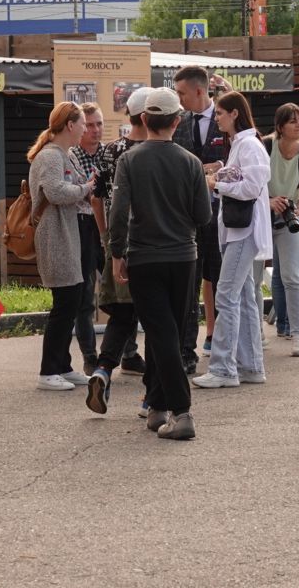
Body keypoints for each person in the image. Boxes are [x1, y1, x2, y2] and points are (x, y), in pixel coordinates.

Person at [109, 87, 211, 440]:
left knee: (160, 332)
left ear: (144, 120)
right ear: (177, 121)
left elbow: (118, 212)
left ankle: (181, 412)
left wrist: (116, 255)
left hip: (144, 257)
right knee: (167, 331)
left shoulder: (130, 160)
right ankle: (156, 405)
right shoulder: (191, 162)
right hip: (184, 256)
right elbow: (203, 215)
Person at [192, 91, 272, 389]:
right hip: (239, 229)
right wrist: (221, 177)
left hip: (244, 230)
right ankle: (250, 366)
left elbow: (251, 187)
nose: (218, 119)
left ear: (235, 114)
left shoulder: (250, 145)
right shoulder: (243, 144)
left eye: (221, 114)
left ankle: (224, 368)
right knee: (244, 297)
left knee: (226, 294)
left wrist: (218, 183)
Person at [85, 88, 152, 415]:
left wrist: (105, 236)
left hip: (118, 239)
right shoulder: (161, 150)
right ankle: (151, 396)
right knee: (157, 318)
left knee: (124, 313)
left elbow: (96, 197)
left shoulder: (111, 151)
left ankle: (102, 370)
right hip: (153, 241)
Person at [28, 102, 97, 390]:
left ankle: (63, 366)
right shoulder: (51, 156)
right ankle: (48, 371)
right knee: (65, 303)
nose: (85, 128)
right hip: (58, 235)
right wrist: (86, 188)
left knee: (73, 300)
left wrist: (85, 187)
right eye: (82, 123)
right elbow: (56, 192)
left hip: (71, 234)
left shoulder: (65, 154)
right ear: (70, 125)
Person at [174, 65, 226, 370]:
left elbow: (236, 159)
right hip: (188, 216)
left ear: (198, 90)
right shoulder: (179, 122)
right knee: (189, 283)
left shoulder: (226, 118)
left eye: (182, 93)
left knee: (221, 281)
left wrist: (217, 165)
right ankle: (186, 351)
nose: (179, 99)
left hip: (221, 213)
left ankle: (222, 348)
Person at [263, 103, 299, 358]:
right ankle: (257, 333)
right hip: (260, 217)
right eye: (293, 121)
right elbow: (250, 183)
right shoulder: (264, 147)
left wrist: (297, 209)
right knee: (253, 278)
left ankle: (298, 335)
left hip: (289, 220)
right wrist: (268, 201)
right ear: (279, 127)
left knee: (292, 276)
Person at [72, 102, 107, 374]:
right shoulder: (71, 155)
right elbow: (77, 192)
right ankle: (89, 357)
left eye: (99, 124)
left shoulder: (109, 154)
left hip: (107, 224)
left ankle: (127, 353)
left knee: (120, 292)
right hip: (83, 226)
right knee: (85, 295)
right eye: (90, 125)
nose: (95, 130)